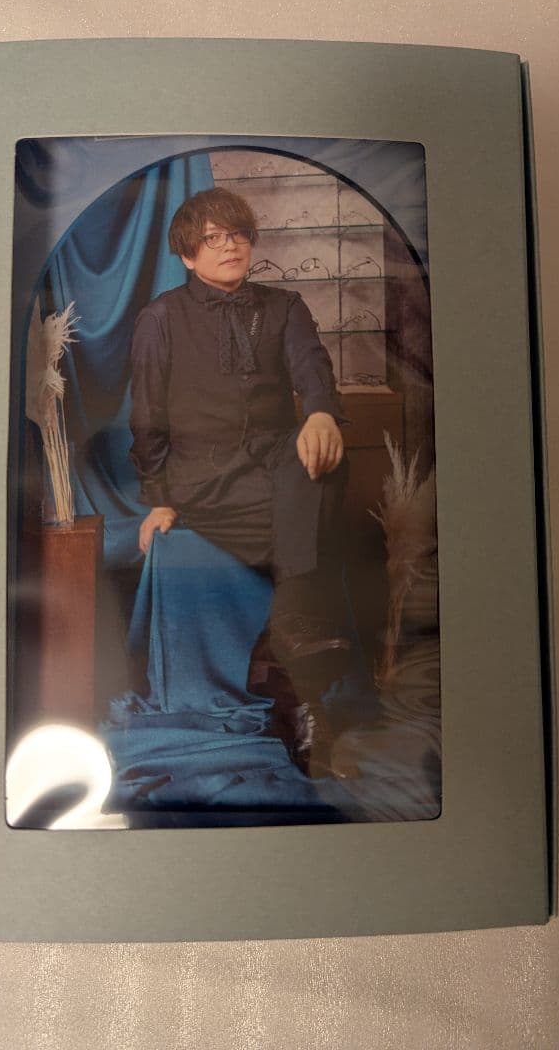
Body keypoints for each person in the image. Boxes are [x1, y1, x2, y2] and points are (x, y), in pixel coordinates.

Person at [129, 187, 351, 776]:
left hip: (277, 460)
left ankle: (286, 629)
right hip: (206, 476)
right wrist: (158, 500)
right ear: (188, 254)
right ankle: (300, 682)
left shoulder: (284, 306)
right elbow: (147, 416)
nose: (230, 246)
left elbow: (313, 369)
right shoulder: (161, 319)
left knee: (326, 458)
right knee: (308, 507)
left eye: (238, 235)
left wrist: (321, 413)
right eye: (213, 238)